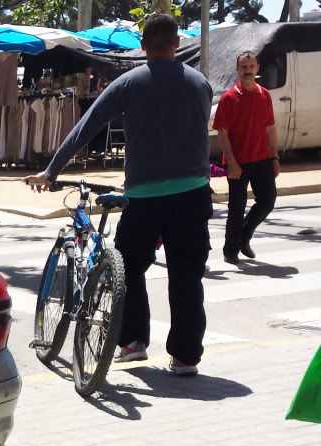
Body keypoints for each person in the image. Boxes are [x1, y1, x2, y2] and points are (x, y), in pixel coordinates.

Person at [24, 14, 214, 377]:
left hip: (144, 195)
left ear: (142, 46)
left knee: (127, 269)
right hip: (193, 193)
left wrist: (52, 171)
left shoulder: (128, 83)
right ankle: (186, 357)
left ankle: (132, 342)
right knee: (187, 275)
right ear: (177, 43)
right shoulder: (199, 83)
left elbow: (85, 127)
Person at [214, 51, 278, 264]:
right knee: (237, 207)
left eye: (251, 67)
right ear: (237, 70)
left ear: (258, 68)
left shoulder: (265, 95)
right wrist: (231, 162)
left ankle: (244, 236)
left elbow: (271, 129)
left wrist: (275, 158)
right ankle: (230, 250)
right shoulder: (228, 98)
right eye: (244, 67)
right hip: (237, 161)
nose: (248, 71)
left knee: (268, 200)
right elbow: (222, 132)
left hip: (262, 159)